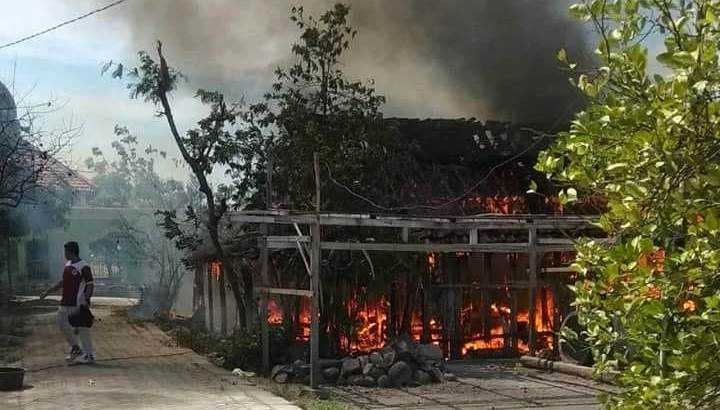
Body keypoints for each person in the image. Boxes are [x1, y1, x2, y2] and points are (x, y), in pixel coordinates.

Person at [40, 241, 95, 364]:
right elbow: (62, 282)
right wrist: (47, 291)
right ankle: (75, 348)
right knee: (61, 323)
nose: (64, 254)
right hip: (65, 302)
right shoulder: (67, 265)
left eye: (65, 251)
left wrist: (86, 299)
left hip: (77, 303)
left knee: (82, 329)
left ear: (71, 251)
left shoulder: (84, 266)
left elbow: (90, 285)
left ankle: (89, 355)